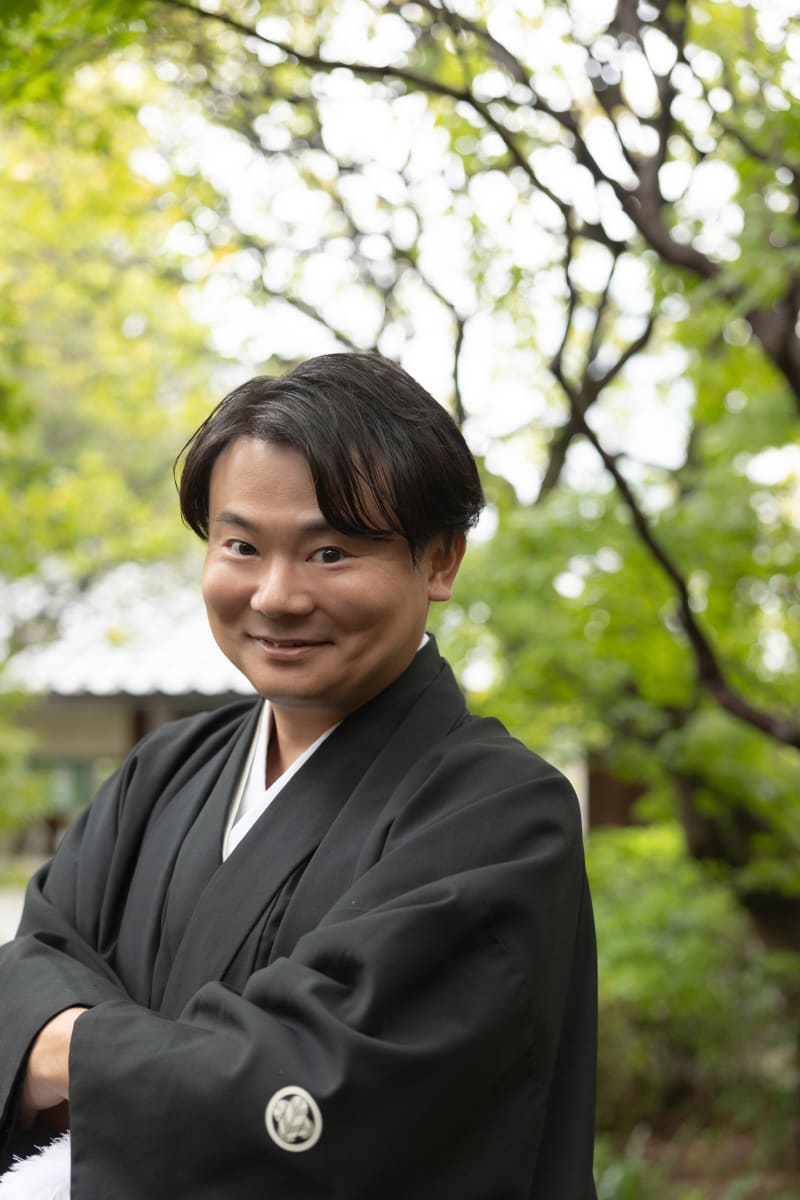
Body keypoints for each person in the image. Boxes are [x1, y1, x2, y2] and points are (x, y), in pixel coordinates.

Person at [0, 353, 597, 1198]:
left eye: (329, 552)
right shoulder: (164, 770)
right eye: (242, 545)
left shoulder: (499, 813)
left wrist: (70, 1056)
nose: (276, 596)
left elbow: (328, 1091)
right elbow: (32, 966)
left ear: (439, 562)